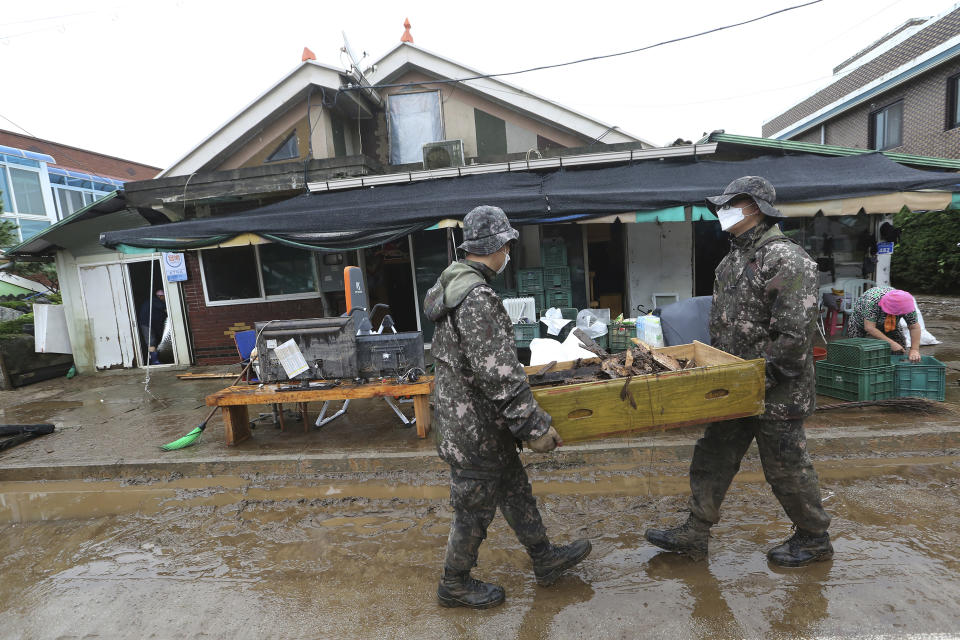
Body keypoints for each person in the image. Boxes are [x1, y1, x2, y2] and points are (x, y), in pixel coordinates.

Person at [644, 176, 833, 567]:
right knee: (712, 453)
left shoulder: (786, 259)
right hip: (734, 384)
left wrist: (759, 379)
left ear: (755, 208)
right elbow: (723, 325)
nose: (721, 212)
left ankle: (814, 538)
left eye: (730, 205)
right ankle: (695, 531)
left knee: (785, 467)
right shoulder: (732, 261)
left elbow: (794, 336)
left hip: (777, 389)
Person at [423, 205, 591, 609]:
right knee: (473, 507)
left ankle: (544, 557)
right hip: (475, 427)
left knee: (515, 491)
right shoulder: (477, 297)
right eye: (508, 244)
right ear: (497, 245)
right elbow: (498, 373)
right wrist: (533, 427)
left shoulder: (454, 286)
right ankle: (455, 582)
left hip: (476, 420)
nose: (509, 252)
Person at [846, 286, 921, 362]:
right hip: (861, 322)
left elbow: (914, 327)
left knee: (899, 349)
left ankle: (893, 368)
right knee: (856, 350)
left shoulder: (906, 304)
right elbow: (869, 328)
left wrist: (915, 349)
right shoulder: (871, 301)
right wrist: (891, 343)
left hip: (891, 324)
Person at [137, 288, 167, 365]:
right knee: (151, 341)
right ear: (160, 296)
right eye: (164, 296)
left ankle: (155, 359)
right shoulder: (156, 301)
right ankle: (154, 361)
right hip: (147, 324)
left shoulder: (152, 301)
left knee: (154, 341)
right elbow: (166, 309)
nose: (165, 298)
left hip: (151, 324)